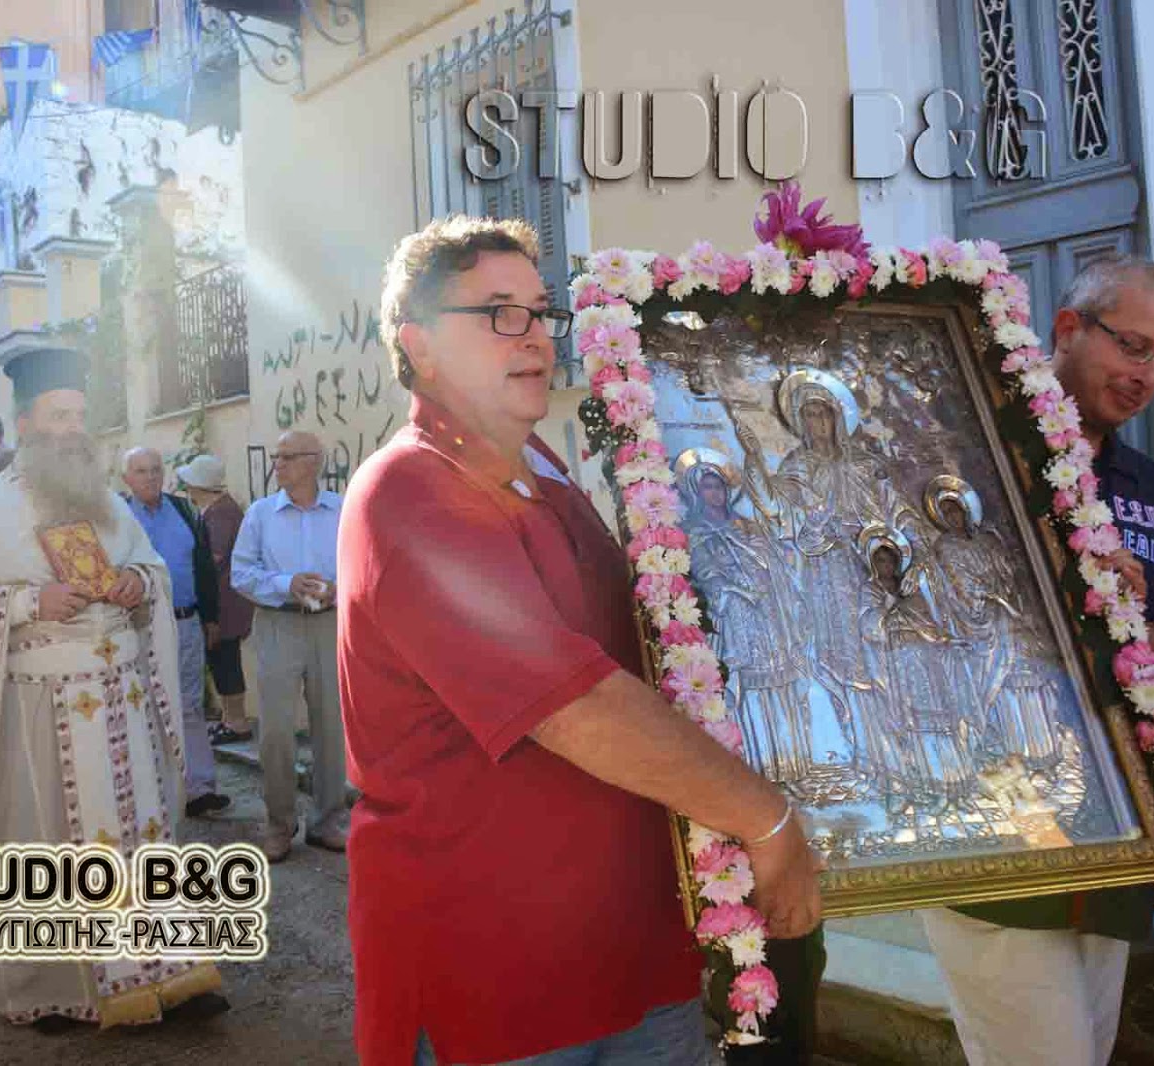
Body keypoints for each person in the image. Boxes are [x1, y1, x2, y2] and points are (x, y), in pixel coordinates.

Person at [340, 216, 822, 1065]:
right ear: (417, 346)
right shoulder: (408, 491)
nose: (533, 337)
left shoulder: (549, 473)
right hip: (495, 978)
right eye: (498, 314)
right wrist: (766, 820)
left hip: (632, 955)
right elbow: (574, 705)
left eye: (539, 311)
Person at [918, 253, 1154, 1066]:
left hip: (1119, 841)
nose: (1146, 375)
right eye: (1131, 346)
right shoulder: (967, 452)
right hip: (999, 834)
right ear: (1066, 327)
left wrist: (1136, 635)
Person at [0, 346, 223, 1029]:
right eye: (59, 414)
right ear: (24, 422)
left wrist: (137, 586)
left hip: (121, 702)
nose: (72, 428)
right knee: (45, 842)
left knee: (144, 841)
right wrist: (30, 604)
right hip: (40, 707)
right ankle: (51, 987)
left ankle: (170, 973)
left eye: (80, 414)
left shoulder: (111, 504)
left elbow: (152, 569)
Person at [231, 429, 349, 861]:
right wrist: (286, 584)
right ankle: (279, 823)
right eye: (275, 457)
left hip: (330, 624)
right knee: (277, 730)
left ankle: (328, 820)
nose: (276, 465)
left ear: (314, 460)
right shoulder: (261, 514)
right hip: (278, 625)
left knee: (331, 727)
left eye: (287, 457)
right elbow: (241, 575)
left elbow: (365, 561)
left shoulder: (343, 509)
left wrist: (340, 588)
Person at [121, 445, 229, 818]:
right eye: (141, 471)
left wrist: (211, 618)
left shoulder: (184, 510)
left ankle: (199, 788)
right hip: (137, 627)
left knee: (190, 704)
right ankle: (153, 793)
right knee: (145, 705)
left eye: (155, 470)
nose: (150, 477)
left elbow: (202, 567)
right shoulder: (117, 517)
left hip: (186, 623)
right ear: (126, 479)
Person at [176, 454, 255, 745]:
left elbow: (215, 558)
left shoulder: (221, 514)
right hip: (225, 602)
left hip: (225, 606)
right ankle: (229, 719)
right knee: (223, 661)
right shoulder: (219, 508)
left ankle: (237, 722)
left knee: (226, 662)